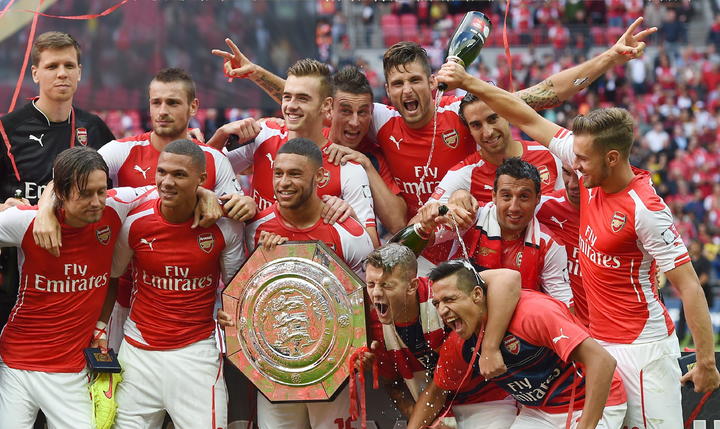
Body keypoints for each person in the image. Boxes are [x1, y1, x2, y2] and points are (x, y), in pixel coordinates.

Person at [435, 57, 720, 427]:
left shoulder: (646, 210)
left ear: (612, 158)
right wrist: (468, 82)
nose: (573, 167)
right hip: (596, 343)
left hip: (642, 350)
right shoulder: (590, 170)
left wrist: (706, 362)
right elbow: (524, 117)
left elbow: (690, 286)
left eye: (582, 160)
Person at [86, 67, 250, 351]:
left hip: (190, 309)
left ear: (193, 107)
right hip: (123, 299)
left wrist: (248, 205)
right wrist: (199, 193)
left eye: (172, 103)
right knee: (117, 378)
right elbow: (75, 184)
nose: (162, 111)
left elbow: (236, 215)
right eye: (156, 102)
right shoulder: (119, 151)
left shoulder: (213, 160)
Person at [0, 147, 153, 428]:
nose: (96, 202)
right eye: (85, 194)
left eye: (101, 191)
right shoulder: (25, 221)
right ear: (61, 192)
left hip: (71, 372)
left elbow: (170, 189)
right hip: (16, 364)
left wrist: (205, 197)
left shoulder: (116, 205)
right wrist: (34, 209)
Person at [110, 140, 245, 428]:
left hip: (196, 355)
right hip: (138, 352)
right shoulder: (134, 220)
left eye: (179, 175)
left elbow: (235, 288)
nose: (167, 182)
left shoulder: (226, 225)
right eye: (162, 172)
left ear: (202, 179)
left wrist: (230, 313)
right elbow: (113, 274)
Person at [243, 138, 374, 429]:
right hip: (276, 369)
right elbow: (240, 296)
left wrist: (362, 348)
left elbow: (367, 297)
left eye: (295, 174)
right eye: (278, 173)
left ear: (320, 177)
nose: (283, 183)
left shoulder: (349, 233)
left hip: (333, 367)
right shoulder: (255, 229)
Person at [408, 260, 627, 429]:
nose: (442, 310)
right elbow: (436, 391)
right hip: (539, 412)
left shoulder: (533, 314)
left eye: (450, 299)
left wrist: (586, 426)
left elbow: (603, 361)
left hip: (591, 402)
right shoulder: (460, 343)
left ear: (476, 294)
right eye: (437, 303)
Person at [0, 31, 115, 330]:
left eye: (69, 65)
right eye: (52, 66)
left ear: (80, 72)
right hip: (17, 274)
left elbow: (123, 188)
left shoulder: (95, 129)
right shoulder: (6, 129)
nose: (62, 73)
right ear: (35, 73)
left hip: (76, 275)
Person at [207, 58, 379, 246]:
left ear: (326, 105)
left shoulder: (346, 166)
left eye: (302, 98)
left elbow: (371, 247)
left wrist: (350, 218)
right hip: (254, 261)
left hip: (312, 264)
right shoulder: (263, 134)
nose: (291, 106)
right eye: (287, 97)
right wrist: (220, 134)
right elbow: (204, 178)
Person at [365, 243, 521, 428]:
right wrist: (430, 424)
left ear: (412, 286)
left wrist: (490, 348)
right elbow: (393, 385)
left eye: (387, 285)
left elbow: (507, 278)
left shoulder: (444, 292)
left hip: (487, 400)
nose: (376, 293)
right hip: (434, 408)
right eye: (371, 284)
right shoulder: (374, 327)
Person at [417, 158, 573, 307]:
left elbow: (563, 303)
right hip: (457, 311)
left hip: (515, 319)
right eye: (506, 196)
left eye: (524, 197)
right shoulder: (470, 217)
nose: (514, 207)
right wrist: (426, 226)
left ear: (537, 198)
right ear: (494, 196)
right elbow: (422, 241)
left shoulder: (549, 245)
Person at [426, 92, 563, 208]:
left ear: (507, 115)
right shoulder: (464, 174)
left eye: (492, 119)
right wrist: (450, 207)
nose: (488, 132)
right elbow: (424, 219)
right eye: (476, 125)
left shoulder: (549, 155)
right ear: (470, 130)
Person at [535, 162, 588, 326]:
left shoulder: (620, 212)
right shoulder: (542, 207)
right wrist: (465, 197)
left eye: (579, 175)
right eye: (566, 173)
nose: (572, 185)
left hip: (615, 327)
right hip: (567, 326)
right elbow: (493, 211)